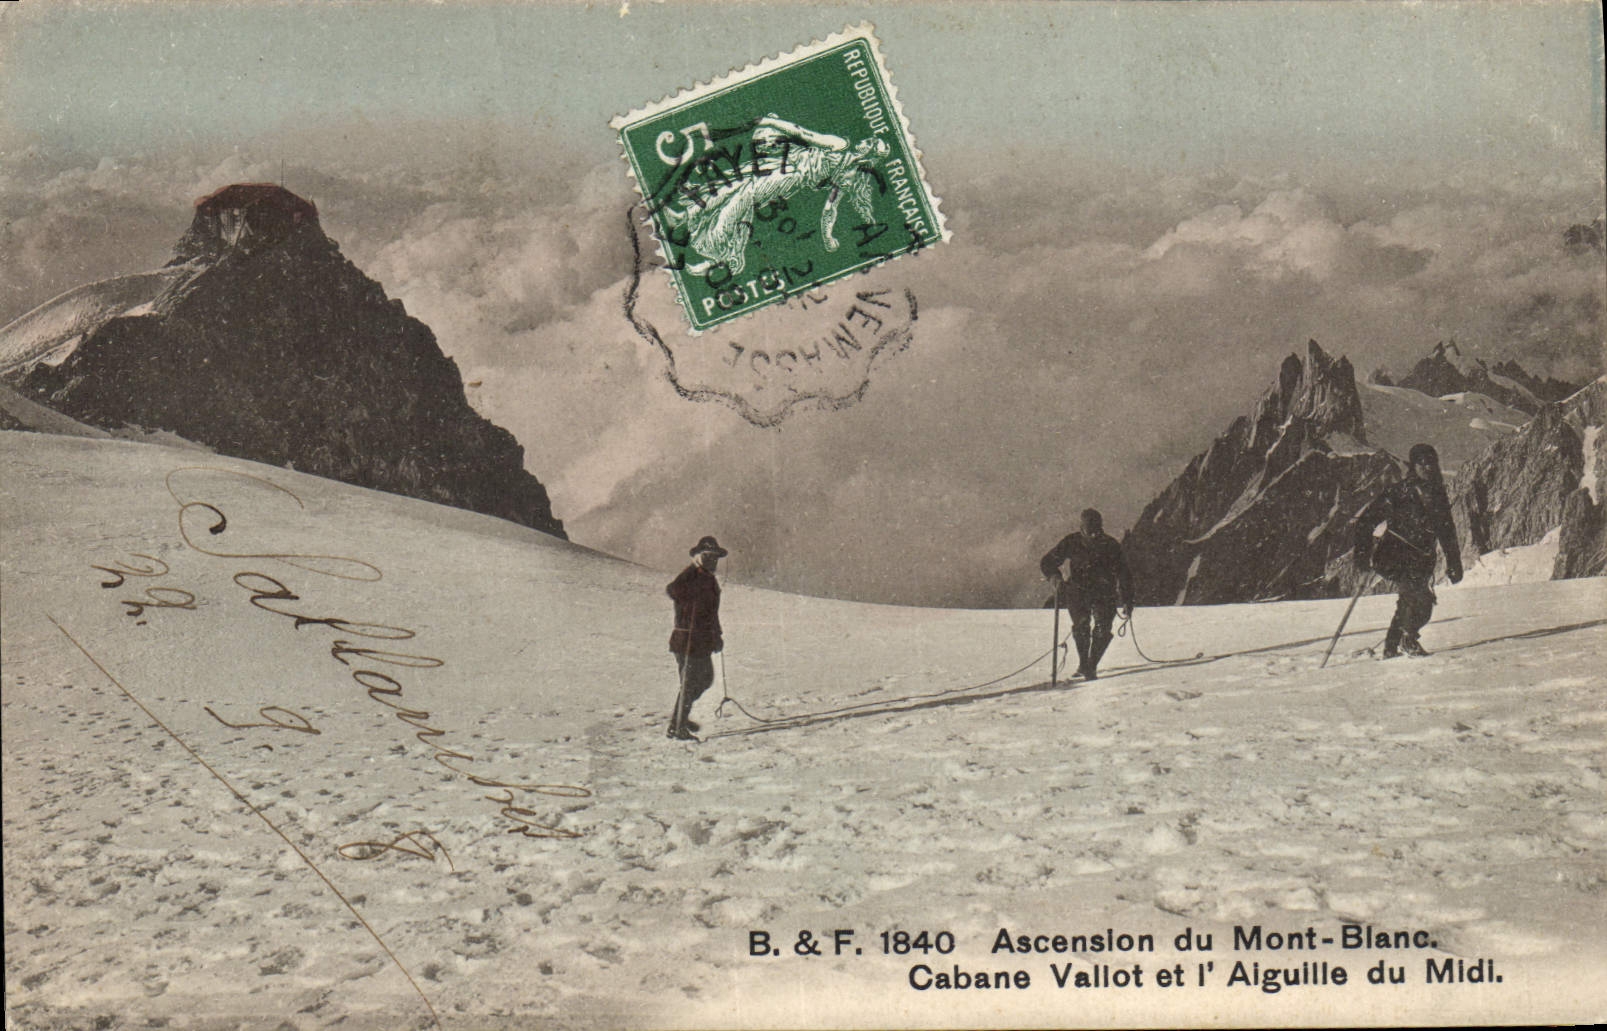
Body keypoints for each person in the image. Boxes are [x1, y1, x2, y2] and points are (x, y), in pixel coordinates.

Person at [1352, 443, 1463, 658]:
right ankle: (1407, 640)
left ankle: (1392, 647)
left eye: (1431, 462)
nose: (1427, 467)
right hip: (1395, 556)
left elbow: (1446, 531)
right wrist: (1362, 556)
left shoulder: (1437, 494)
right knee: (1418, 601)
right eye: (1422, 463)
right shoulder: (1398, 492)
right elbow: (1366, 521)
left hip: (1420, 559)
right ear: (1413, 466)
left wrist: (1454, 562)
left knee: (1411, 601)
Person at [1040, 509, 1135, 680]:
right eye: (1089, 528)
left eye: (1096, 529)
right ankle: (1085, 664)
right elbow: (1047, 562)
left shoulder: (1111, 545)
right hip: (1078, 591)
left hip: (1104, 593)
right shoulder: (1072, 542)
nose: (1093, 533)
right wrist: (1054, 577)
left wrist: (1128, 600)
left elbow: (1124, 574)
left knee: (1102, 629)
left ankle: (1090, 665)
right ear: (1081, 527)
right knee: (1081, 626)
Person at [665, 535, 727, 740]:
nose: (713, 561)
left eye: (715, 558)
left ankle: (679, 718)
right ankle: (678, 726)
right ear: (699, 557)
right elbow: (673, 590)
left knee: (705, 679)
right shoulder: (691, 575)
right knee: (690, 683)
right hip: (686, 640)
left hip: (702, 641)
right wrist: (692, 586)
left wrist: (717, 635)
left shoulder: (709, 580)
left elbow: (711, 612)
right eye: (708, 557)